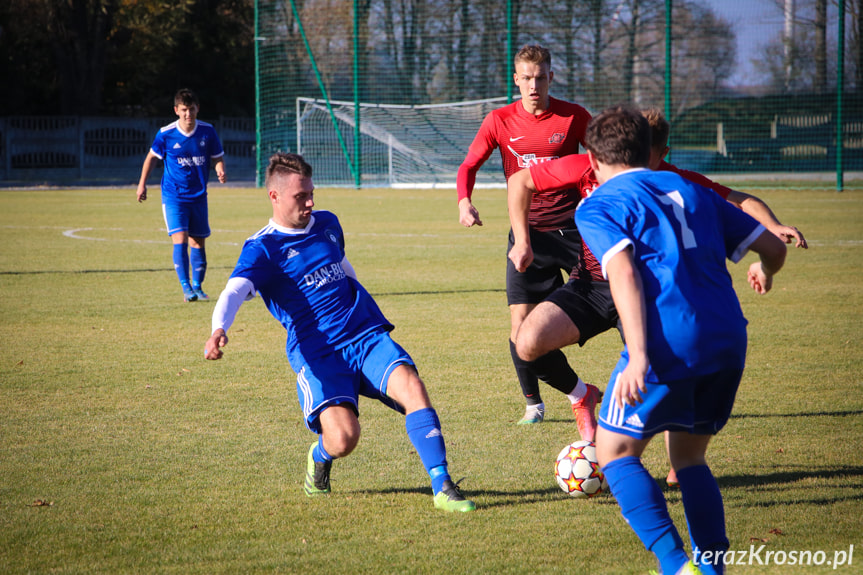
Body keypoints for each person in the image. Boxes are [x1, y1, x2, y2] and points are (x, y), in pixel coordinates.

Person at [506, 107, 808, 446]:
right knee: (526, 342)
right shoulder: (589, 168)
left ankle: (681, 460)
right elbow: (521, 180)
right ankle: (582, 395)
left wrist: (773, 226)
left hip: (651, 291)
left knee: (664, 377)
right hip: (592, 284)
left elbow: (738, 200)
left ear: (659, 154)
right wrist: (522, 239)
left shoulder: (675, 181)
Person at [575, 105, 786, 575]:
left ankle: (675, 565)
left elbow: (624, 272)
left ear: (593, 159)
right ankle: (712, 568)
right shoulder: (694, 191)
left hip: (670, 344)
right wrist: (763, 270)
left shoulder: (598, 205)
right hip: (728, 341)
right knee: (689, 456)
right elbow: (773, 246)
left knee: (614, 453)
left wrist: (639, 357)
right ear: (649, 150)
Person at [204, 152, 475, 513]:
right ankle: (319, 457)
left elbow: (343, 267)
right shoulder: (263, 248)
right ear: (275, 196)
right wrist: (219, 327)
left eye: (311, 192)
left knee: (412, 386)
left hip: (364, 335)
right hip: (319, 354)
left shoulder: (328, 223)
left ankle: (443, 487)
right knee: (345, 438)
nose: (310, 201)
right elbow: (234, 291)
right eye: (301, 196)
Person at [456, 44, 600, 432]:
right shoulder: (499, 121)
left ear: (551, 77)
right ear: (516, 80)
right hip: (527, 236)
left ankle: (646, 386)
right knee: (519, 328)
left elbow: (604, 159)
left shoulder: (574, 117)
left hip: (576, 232)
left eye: (541, 77)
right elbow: (469, 164)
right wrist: (464, 202)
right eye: (527, 78)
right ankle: (539, 403)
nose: (534, 85)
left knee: (615, 303)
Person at [137, 88, 227, 302]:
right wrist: (142, 184)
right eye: (184, 109)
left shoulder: (208, 131)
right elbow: (151, 158)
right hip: (174, 196)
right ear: (176, 110)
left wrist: (220, 169)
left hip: (199, 196)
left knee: (198, 242)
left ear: (198, 109)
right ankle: (186, 288)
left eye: (192, 109)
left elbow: (218, 157)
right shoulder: (166, 133)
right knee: (181, 239)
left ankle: (198, 286)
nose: (188, 114)